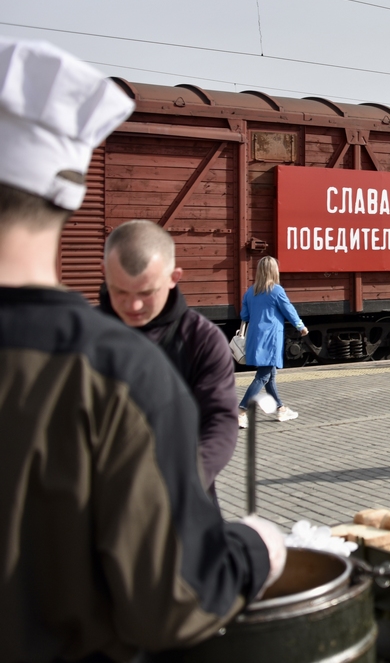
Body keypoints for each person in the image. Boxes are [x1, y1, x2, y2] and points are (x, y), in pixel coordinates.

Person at [0, 38, 284, 658]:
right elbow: (174, 599)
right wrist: (255, 549)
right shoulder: (117, 372)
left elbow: (219, 418)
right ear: (69, 191)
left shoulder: (187, 345)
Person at [100, 220, 238, 501]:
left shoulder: (202, 339)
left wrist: (184, 481)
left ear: (174, 277)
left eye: (146, 292)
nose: (133, 306)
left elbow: (220, 419)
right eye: (121, 292)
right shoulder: (83, 336)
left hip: (178, 503)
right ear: (105, 273)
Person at [238, 255, 307, 425]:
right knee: (263, 376)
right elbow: (289, 310)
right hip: (270, 338)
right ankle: (241, 411)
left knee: (270, 376)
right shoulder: (276, 290)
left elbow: (245, 315)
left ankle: (281, 410)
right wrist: (300, 326)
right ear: (273, 271)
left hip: (255, 337)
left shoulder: (250, 291)